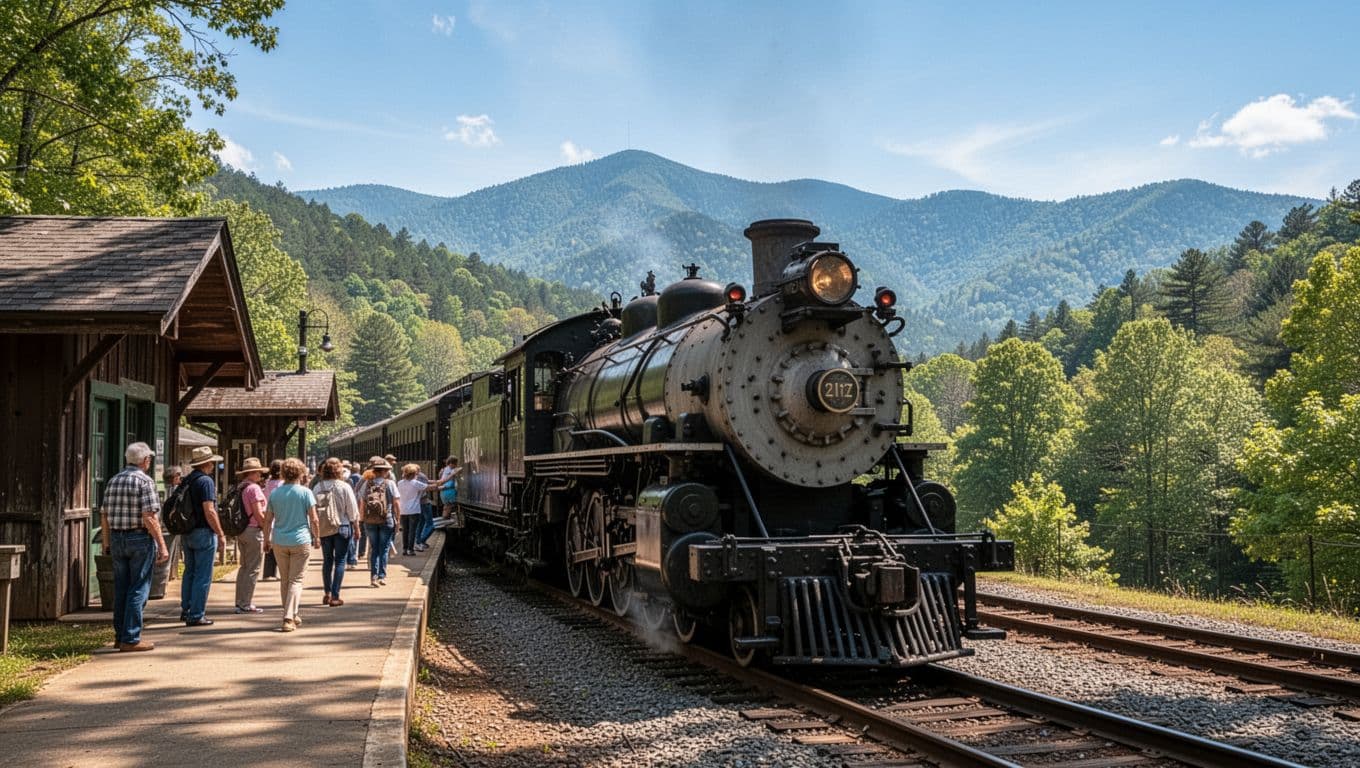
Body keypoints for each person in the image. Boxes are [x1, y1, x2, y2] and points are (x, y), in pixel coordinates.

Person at [102, 442, 170, 652]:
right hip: (139, 538)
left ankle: (120, 635)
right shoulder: (145, 481)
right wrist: (162, 544)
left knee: (121, 587)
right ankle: (131, 638)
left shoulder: (114, 480)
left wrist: (106, 542)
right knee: (139, 587)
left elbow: (104, 514)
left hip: (116, 538)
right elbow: (149, 516)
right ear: (145, 461)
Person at [262, 458, 320, 632]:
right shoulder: (305, 493)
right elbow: (314, 518)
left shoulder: (275, 493)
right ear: (301, 473)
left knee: (285, 580)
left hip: (279, 540)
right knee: (296, 580)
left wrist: (266, 539)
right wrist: (317, 537)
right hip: (300, 540)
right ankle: (288, 617)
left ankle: (292, 614)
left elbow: (268, 519)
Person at [181, 445, 226, 626]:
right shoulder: (206, 482)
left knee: (189, 572)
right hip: (203, 532)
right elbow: (210, 511)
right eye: (212, 463)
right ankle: (197, 614)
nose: (213, 466)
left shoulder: (187, 480)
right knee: (203, 575)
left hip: (187, 531)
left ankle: (186, 609)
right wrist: (220, 533)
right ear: (207, 463)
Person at [315, 457, 359, 606]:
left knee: (327, 561)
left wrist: (315, 532)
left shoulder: (317, 487)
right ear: (339, 470)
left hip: (325, 528)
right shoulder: (344, 486)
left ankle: (326, 593)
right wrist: (357, 528)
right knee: (340, 561)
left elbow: (313, 510)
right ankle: (335, 596)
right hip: (343, 527)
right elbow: (352, 510)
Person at [232, 457, 269, 614]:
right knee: (253, 569)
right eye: (259, 472)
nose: (261, 475)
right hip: (254, 530)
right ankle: (246, 603)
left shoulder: (241, 487)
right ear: (253, 473)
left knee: (244, 567)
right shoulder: (254, 488)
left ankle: (240, 601)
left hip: (242, 530)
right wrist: (265, 527)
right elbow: (258, 512)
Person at [358, 458, 399, 587]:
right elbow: (396, 503)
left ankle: (373, 577)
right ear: (385, 471)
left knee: (374, 548)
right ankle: (382, 576)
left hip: (370, 520)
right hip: (386, 519)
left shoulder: (367, 483)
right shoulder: (390, 484)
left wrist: (361, 518)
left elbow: (362, 502)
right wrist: (398, 519)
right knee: (384, 548)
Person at [396, 463, 429, 556]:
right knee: (412, 531)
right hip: (414, 510)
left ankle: (405, 549)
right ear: (413, 474)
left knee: (405, 530)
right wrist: (441, 485)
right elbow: (430, 487)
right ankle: (411, 549)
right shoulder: (416, 483)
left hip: (403, 510)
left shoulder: (399, 483)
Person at [261, 459, 284, 580]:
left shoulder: (268, 483)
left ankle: (268, 573)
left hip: (269, 514)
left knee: (269, 544)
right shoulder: (284, 484)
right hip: (280, 516)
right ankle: (281, 572)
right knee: (280, 547)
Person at [415, 467, 435, 552]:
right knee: (431, 525)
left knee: (420, 523)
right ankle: (421, 541)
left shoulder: (407, 479)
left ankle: (418, 541)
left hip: (418, 504)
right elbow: (425, 488)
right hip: (424, 502)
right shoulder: (421, 476)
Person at [436, 456, 461, 524]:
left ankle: (444, 520)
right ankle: (447, 521)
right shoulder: (452, 470)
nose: (456, 465)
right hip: (449, 490)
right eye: (455, 464)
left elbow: (440, 478)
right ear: (451, 463)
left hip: (444, 491)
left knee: (446, 506)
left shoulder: (443, 470)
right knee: (450, 507)